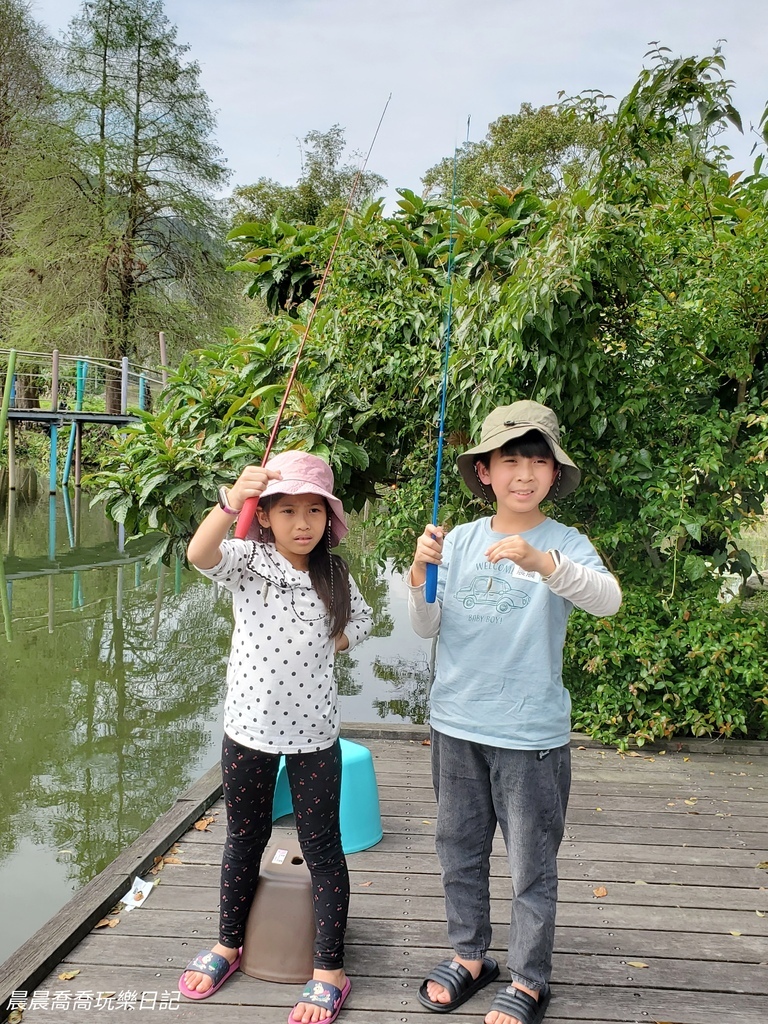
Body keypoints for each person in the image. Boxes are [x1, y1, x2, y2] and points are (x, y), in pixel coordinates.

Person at [407, 400, 622, 1024]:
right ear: (485, 472)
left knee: (532, 860)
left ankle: (529, 977)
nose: (524, 472)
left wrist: (542, 563)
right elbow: (426, 625)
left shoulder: (565, 543)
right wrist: (420, 571)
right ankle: (470, 956)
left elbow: (607, 600)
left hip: (531, 734)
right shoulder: (460, 540)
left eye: (538, 460)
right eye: (510, 459)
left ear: (555, 473)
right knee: (458, 848)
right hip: (456, 726)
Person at [178, 450, 373, 1024]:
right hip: (248, 730)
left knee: (322, 848)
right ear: (264, 516)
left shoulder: (334, 574)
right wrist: (229, 500)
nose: (302, 522)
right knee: (244, 835)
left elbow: (360, 621)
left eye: (314, 510)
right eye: (286, 510)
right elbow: (198, 553)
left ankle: (328, 970)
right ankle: (227, 944)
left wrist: (332, 644)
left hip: (315, 735)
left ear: (328, 519)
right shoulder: (245, 561)